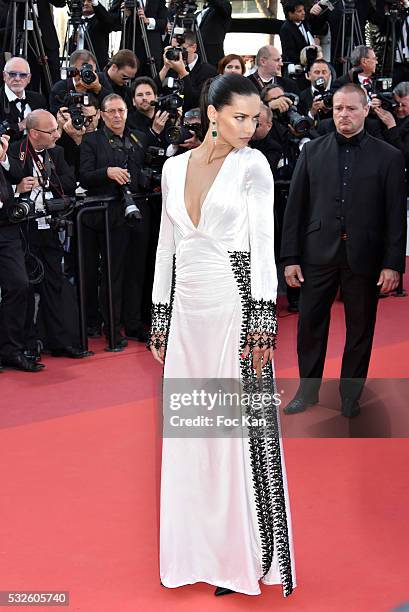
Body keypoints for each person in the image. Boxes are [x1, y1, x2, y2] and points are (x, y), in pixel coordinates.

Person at [149, 73, 296, 596]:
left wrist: (261, 319)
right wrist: (160, 316)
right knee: (192, 432)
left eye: (256, 118)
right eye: (240, 117)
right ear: (211, 113)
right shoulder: (171, 168)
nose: (251, 127)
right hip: (188, 316)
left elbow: (263, 246)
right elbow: (166, 245)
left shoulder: (251, 165)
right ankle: (197, 550)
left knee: (236, 433)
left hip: (235, 309)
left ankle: (246, 554)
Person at [280, 84, 407, 418]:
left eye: (351, 108)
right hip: (316, 254)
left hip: (364, 257)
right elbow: (295, 209)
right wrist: (290, 258)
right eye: (338, 108)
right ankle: (307, 392)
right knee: (309, 326)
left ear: (366, 110)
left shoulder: (389, 157)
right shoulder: (311, 152)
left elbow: (396, 215)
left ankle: (350, 395)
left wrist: (393, 264)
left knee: (361, 328)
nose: (344, 115)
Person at [7, 110, 85, 359]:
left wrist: (45, 181)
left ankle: (60, 341)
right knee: (27, 286)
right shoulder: (13, 153)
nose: (56, 134)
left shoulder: (57, 152)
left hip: (49, 224)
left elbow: (70, 181)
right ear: (33, 133)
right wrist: (18, 187)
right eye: (51, 131)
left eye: (55, 130)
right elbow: (7, 183)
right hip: (22, 229)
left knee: (54, 282)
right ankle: (28, 344)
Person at [79, 94, 145, 349]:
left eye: (121, 110)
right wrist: (106, 172)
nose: (117, 116)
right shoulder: (92, 140)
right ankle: (113, 329)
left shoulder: (137, 136)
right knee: (112, 275)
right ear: (102, 115)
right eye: (111, 112)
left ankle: (134, 323)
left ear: (127, 112)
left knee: (136, 271)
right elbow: (84, 177)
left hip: (137, 211)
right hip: (107, 214)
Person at [0, 135, 44, 372]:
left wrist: (4, 157)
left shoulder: (5, 152)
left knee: (19, 285)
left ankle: (11, 350)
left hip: (6, 229)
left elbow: (17, 172)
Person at [158, 31, 217, 112]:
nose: (177, 53)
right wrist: (165, 67)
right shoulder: (170, 68)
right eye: (173, 49)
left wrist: (182, 72)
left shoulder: (208, 72)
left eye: (181, 49)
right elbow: (154, 90)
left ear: (194, 47)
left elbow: (195, 101)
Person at [110, 0, 168, 75]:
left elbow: (163, 22)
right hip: (130, 44)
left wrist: (147, 21)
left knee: (152, 80)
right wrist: (124, 15)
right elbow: (111, 20)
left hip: (152, 48)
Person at [50, 50, 111, 115]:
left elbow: (113, 103)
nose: (86, 75)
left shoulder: (101, 79)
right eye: (81, 71)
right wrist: (76, 94)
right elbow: (57, 115)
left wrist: (99, 89)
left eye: (90, 71)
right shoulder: (59, 88)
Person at [0, 57, 47, 142]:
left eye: (23, 75)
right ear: (4, 76)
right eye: (12, 74)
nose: (17, 79)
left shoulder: (39, 99)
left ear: (29, 78)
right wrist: (21, 126)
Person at [68, 0, 116, 71]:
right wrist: (74, 41)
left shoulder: (100, 20)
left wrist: (95, 3)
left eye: (89, 1)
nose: (85, 3)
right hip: (76, 68)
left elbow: (108, 22)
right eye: (83, 1)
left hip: (96, 67)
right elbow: (69, 51)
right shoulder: (77, 22)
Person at [196, 0, 232, 67]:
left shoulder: (223, 7)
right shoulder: (199, 13)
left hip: (212, 56)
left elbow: (220, 5)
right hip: (197, 54)